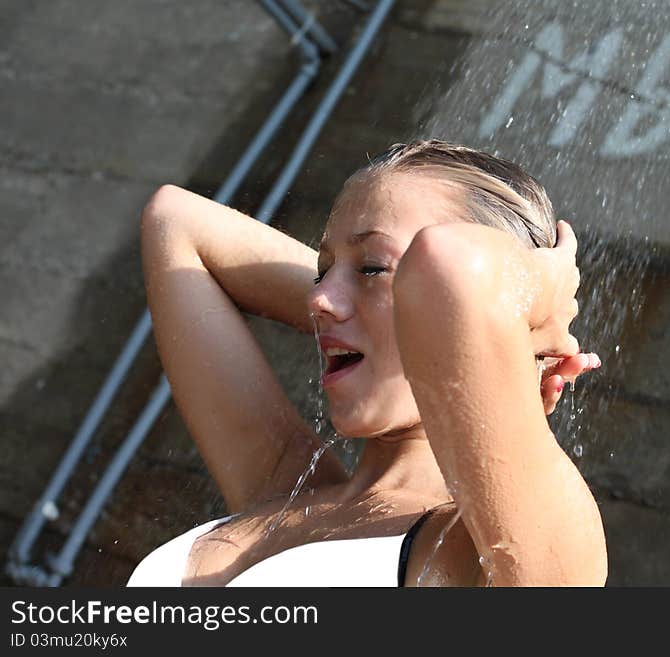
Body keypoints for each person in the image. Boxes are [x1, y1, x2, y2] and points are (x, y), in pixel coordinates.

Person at [127, 139, 606, 587]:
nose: (317, 297)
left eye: (374, 267)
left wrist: (536, 307)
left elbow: (451, 263)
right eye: (322, 272)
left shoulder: (504, 554)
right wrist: (381, 311)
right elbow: (175, 220)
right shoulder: (283, 490)